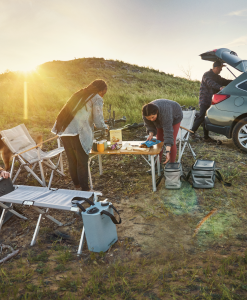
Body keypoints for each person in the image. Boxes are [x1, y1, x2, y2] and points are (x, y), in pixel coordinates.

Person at [52, 79, 108, 191]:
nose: (103, 95)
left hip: (65, 131)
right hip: (78, 132)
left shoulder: (79, 95)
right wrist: (104, 127)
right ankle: (85, 190)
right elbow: (98, 120)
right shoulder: (97, 98)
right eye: (104, 92)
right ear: (102, 90)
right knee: (82, 162)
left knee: (72, 160)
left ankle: (77, 187)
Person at [191, 61, 232, 142]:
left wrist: (235, 81)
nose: (221, 70)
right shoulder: (207, 75)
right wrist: (220, 87)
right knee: (201, 116)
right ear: (216, 68)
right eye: (220, 68)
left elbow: (226, 81)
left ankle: (206, 137)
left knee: (207, 118)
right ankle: (191, 133)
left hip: (212, 101)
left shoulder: (218, 77)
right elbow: (210, 83)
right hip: (204, 99)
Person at [142, 99, 183, 165]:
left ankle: (172, 164)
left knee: (171, 141)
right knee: (159, 141)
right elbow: (149, 125)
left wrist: (167, 151)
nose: (151, 120)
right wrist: (151, 134)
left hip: (175, 116)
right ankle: (158, 164)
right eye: (149, 118)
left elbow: (168, 133)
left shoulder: (165, 112)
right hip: (160, 118)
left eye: (153, 117)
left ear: (157, 112)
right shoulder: (146, 114)